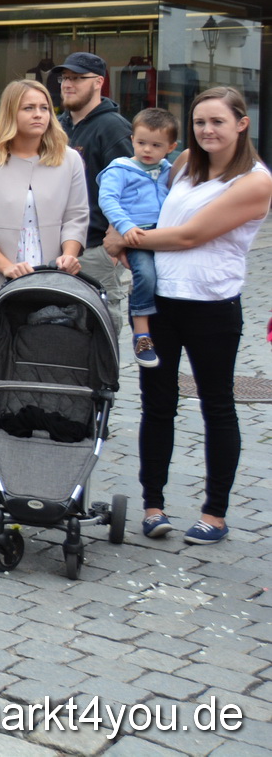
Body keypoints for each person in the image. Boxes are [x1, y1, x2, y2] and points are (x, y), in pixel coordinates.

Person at [113, 87, 271, 545]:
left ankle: (215, 514)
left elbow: (186, 237)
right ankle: (153, 505)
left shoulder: (255, 181)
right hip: (161, 303)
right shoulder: (182, 164)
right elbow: (150, 211)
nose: (207, 130)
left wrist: (127, 240)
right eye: (200, 122)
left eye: (217, 122)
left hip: (212, 306)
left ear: (242, 123)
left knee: (217, 406)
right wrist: (127, 236)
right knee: (157, 405)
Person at [0, 80, 89, 344]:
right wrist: (7, 267)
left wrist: (69, 256)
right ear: (11, 113)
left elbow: (76, 217)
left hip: (52, 277)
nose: (39, 114)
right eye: (28, 108)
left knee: (49, 353)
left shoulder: (70, 159)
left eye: (44, 107)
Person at [52, 52, 134, 333]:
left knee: (97, 329)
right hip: (56, 249)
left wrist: (113, 246)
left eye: (77, 78)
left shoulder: (113, 128)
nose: (67, 84)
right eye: (65, 78)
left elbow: (132, 189)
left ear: (98, 82)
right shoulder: (57, 127)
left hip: (95, 249)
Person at [97, 107, 178, 368]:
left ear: (170, 147)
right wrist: (125, 226)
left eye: (156, 145)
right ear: (132, 139)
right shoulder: (121, 169)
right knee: (145, 273)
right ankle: (141, 332)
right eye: (141, 142)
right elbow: (108, 199)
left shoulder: (169, 170)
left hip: (164, 233)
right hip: (136, 232)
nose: (147, 150)